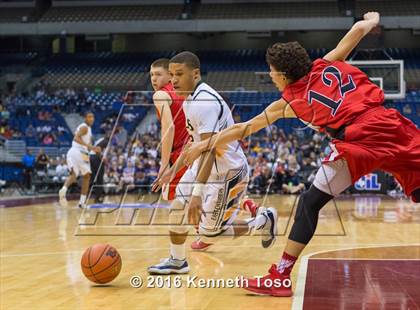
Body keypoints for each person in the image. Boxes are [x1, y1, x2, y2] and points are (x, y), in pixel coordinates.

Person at [182, 12, 420, 297]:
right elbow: (358, 29)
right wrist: (371, 20)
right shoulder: (327, 62)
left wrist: (203, 145)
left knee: (309, 204)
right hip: (393, 127)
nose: (269, 75)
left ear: (282, 74)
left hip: (358, 139)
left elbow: (244, 128)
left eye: (271, 71)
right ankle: (279, 274)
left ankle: (280, 275)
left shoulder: (289, 102)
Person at [148, 51, 278, 275]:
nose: (174, 80)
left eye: (179, 74)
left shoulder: (204, 103)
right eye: (171, 74)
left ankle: (262, 221)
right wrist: (172, 170)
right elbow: (194, 144)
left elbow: (209, 150)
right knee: (177, 207)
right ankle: (177, 260)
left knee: (210, 234)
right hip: (202, 164)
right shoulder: (189, 98)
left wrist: (197, 193)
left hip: (227, 172)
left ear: (195, 73)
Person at [59, 112, 100, 208]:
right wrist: (90, 146)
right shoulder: (85, 127)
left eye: (93, 116)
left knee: (74, 175)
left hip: (72, 152)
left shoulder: (87, 129)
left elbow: (87, 145)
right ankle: (82, 203)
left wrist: (94, 148)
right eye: (89, 116)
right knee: (87, 176)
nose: (92, 118)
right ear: (85, 118)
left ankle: (63, 189)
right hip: (80, 153)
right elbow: (76, 138)